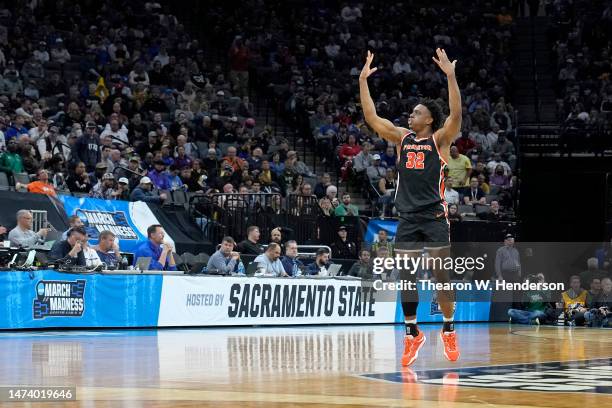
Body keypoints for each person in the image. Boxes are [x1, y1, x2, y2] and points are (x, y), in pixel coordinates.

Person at [360, 48, 462, 366]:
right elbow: (372, 119)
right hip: (407, 217)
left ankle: (448, 328)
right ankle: (411, 333)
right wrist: (362, 81)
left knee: (441, 279)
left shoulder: (440, 140)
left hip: (434, 217)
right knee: (406, 278)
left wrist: (450, 75)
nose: (410, 116)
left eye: (416, 113)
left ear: (429, 119)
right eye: (410, 113)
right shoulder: (402, 138)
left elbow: (456, 116)